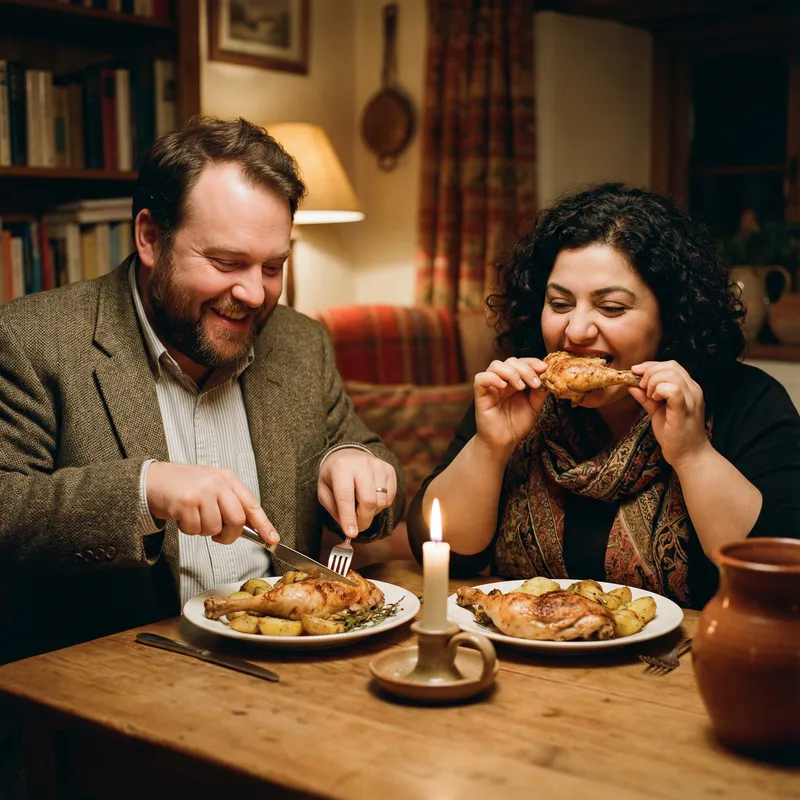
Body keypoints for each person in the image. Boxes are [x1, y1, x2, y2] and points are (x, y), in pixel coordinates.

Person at [0, 116, 404, 664]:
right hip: (117, 678)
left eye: (273, 266)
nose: (255, 293)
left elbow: (371, 462)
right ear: (150, 237)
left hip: (291, 669)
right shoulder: (32, 338)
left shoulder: (300, 342)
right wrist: (145, 491)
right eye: (226, 262)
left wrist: (359, 464)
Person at [406, 183, 800, 609]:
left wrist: (693, 455)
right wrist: (489, 448)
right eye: (559, 304)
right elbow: (442, 551)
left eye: (611, 308)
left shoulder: (747, 400)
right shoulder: (517, 396)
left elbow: (783, 576)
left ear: (671, 318)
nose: (576, 331)